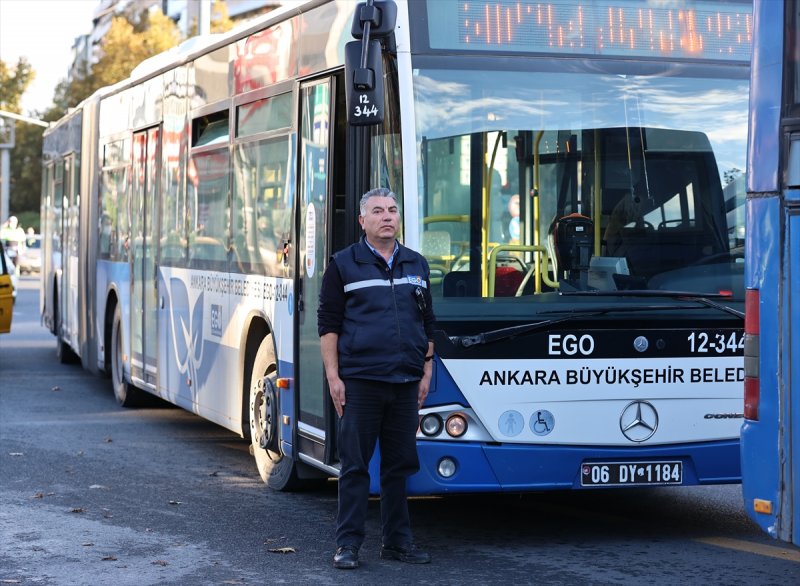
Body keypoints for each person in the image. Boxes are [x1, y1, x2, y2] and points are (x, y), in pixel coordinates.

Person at [318, 187, 436, 570]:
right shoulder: (343, 265)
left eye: (393, 210)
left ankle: (397, 543)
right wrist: (334, 377)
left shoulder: (416, 264)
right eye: (378, 211)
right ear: (362, 221)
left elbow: (428, 322)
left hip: (404, 383)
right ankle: (348, 544)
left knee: (400, 466)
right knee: (355, 466)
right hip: (361, 383)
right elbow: (328, 325)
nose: (388, 217)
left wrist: (426, 370)